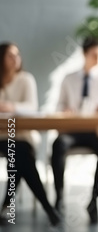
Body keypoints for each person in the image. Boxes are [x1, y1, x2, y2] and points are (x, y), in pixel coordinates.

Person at [51, 36, 98, 223]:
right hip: (72, 131)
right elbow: (58, 107)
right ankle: (58, 198)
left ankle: (94, 200)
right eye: (95, 55)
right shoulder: (69, 78)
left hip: (96, 132)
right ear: (84, 55)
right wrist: (64, 111)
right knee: (58, 145)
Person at [0, 42, 61, 226]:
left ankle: (6, 206)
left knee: (18, 155)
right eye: (10, 55)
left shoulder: (25, 79)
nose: (15, 59)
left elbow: (31, 107)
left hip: (21, 135)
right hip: (1, 136)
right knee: (20, 156)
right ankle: (48, 208)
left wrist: (10, 107)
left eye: (17, 55)